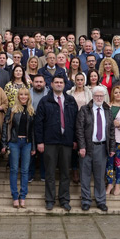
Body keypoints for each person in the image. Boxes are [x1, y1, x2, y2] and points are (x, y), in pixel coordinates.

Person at [35, 75, 79, 211]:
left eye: (61, 82)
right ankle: (50, 200)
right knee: (50, 173)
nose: (59, 84)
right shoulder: (45, 101)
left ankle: (64, 200)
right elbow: (38, 123)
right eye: (56, 82)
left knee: (65, 172)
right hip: (50, 142)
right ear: (52, 84)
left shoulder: (71, 100)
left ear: (65, 85)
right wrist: (40, 141)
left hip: (67, 141)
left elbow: (76, 121)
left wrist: (75, 139)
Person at [75, 85, 115, 212]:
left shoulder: (108, 110)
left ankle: (101, 201)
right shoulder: (84, 109)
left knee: (99, 177)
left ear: (104, 97)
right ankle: (86, 201)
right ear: (92, 96)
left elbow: (111, 131)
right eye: (96, 96)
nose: (99, 98)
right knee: (85, 176)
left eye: (101, 96)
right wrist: (81, 146)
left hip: (101, 147)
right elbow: (79, 129)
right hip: (87, 147)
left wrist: (112, 148)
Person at [2, 88, 36, 208]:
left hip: (27, 143)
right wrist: (4, 143)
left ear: (28, 97)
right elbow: (6, 127)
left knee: (25, 171)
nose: (23, 97)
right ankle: (15, 196)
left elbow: (33, 131)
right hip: (14, 143)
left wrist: (33, 146)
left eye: (25, 95)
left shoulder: (31, 111)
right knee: (14, 170)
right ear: (18, 96)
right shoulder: (12, 110)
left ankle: (23, 196)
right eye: (21, 94)